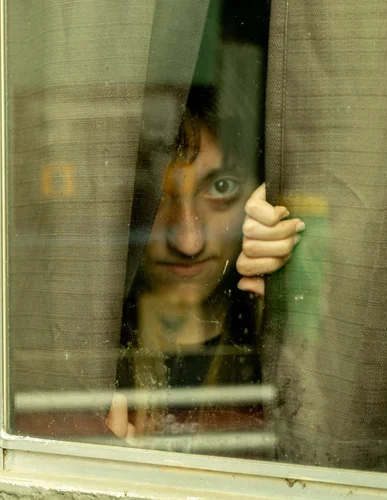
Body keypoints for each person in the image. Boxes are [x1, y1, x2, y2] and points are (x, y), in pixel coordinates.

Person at [106, 87, 305, 442]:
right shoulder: (87, 365)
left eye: (221, 187)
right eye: (155, 196)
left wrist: (287, 308)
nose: (189, 242)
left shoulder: (282, 351)